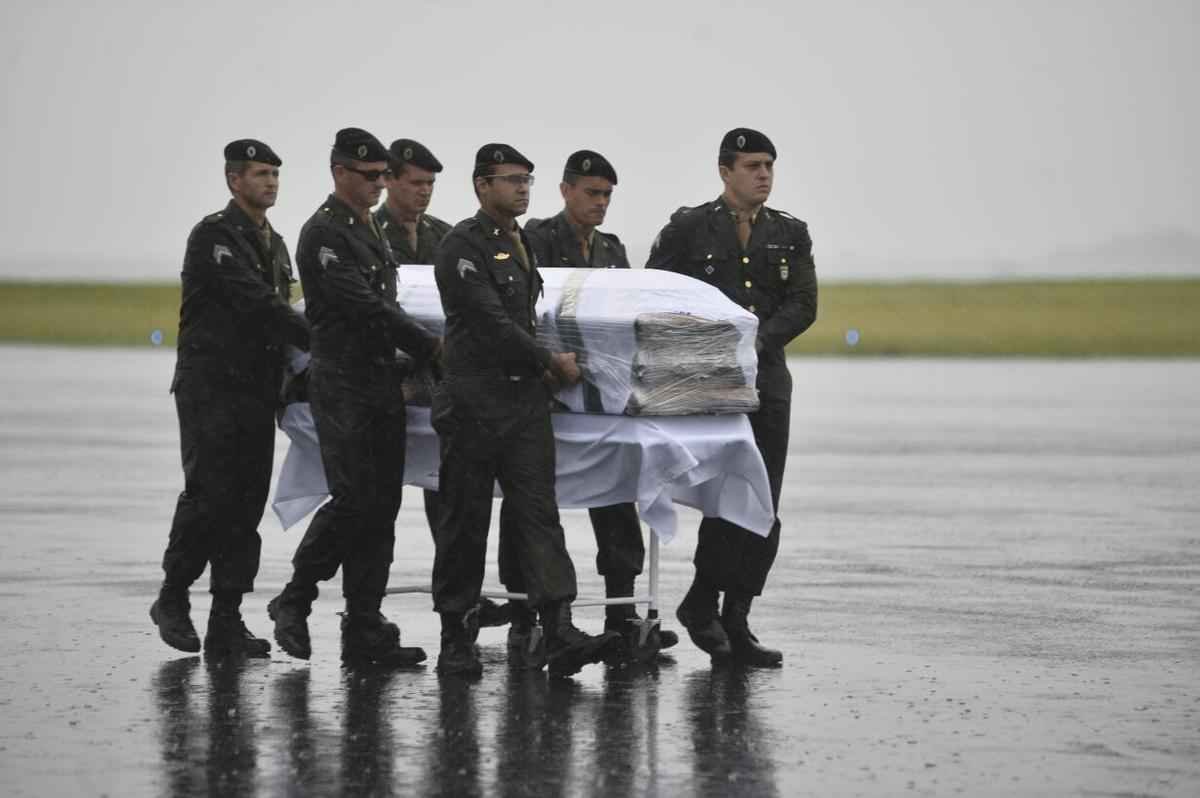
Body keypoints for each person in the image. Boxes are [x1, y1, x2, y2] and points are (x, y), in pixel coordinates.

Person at [431, 142, 617, 678]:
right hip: (474, 402)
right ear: (481, 186)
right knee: (467, 521)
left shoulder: (518, 244)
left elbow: (525, 317)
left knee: (539, 517)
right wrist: (549, 363)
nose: (521, 188)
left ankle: (557, 627)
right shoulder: (461, 246)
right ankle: (455, 634)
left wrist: (541, 370)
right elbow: (490, 321)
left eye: (527, 179)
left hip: (521, 404)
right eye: (511, 179)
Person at [267, 127, 441, 666]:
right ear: (339, 172)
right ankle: (295, 596)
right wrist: (431, 346)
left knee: (381, 508)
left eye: (381, 177)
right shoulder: (322, 234)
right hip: (341, 384)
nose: (377, 185)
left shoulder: (371, 231)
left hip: (380, 383)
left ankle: (364, 624)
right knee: (355, 501)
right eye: (368, 177)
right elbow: (366, 306)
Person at [646, 128, 818, 667]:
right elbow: (657, 290)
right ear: (725, 171)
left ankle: (733, 613)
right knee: (722, 495)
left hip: (766, 382)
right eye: (751, 165)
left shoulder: (790, 233)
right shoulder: (689, 228)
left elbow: (804, 304)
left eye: (769, 165)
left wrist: (754, 338)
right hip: (708, 382)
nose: (763, 174)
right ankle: (704, 603)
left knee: (762, 500)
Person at [150, 138, 310, 658]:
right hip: (211, 388)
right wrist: (322, 336)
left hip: (256, 393)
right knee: (208, 497)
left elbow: (282, 313)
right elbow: (259, 304)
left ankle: (226, 619)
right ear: (233, 180)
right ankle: (172, 597)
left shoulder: (277, 244)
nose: (270, 182)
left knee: (245, 507)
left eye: (275, 175)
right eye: (260, 173)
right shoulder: (214, 236)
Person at [521, 149, 678, 658]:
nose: (601, 202)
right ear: (565, 190)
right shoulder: (536, 240)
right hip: (542, 390)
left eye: (608, 194)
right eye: (592, 192)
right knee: (532, 504)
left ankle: (622, 610)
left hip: (600, 397)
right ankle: (531, 614)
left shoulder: (610, 249)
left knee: (617, 493)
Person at [374, 138, 510, 631]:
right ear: (388, 181)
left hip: (442, 380)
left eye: (431, 184)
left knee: (448, 497)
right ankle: (366, 608)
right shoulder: (373, 233)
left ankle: (462, 592)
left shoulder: (444, 236)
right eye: (415, 183)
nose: (425, 192)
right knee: (376, 503)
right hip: (389, 376)